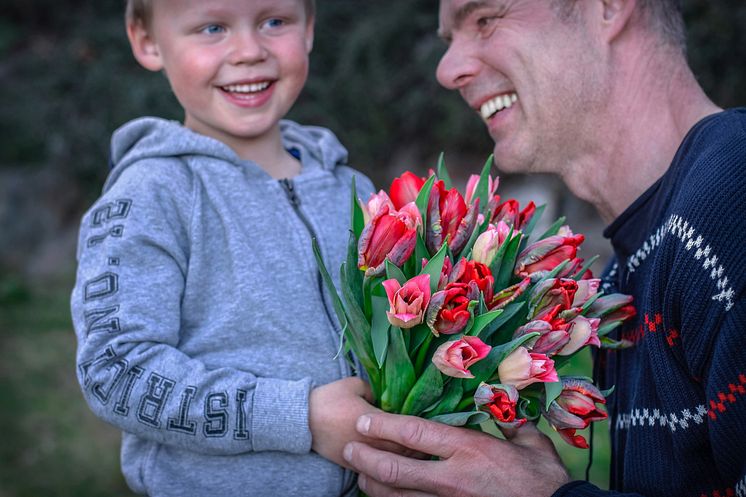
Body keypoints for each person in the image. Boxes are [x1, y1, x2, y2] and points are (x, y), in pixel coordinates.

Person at [342, 0, 746, 496]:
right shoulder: (642, 254)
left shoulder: (733, 212)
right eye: (450, 39)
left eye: (486, 18)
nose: (447, 71)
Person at [70, 0, 384, 495]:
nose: (248, 52)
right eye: (212, 27)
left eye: (273, 22)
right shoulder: (151, 193)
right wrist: (300, 417)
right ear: (148, 41)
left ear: (309, 29)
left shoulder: (355, 190)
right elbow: (116, 370)